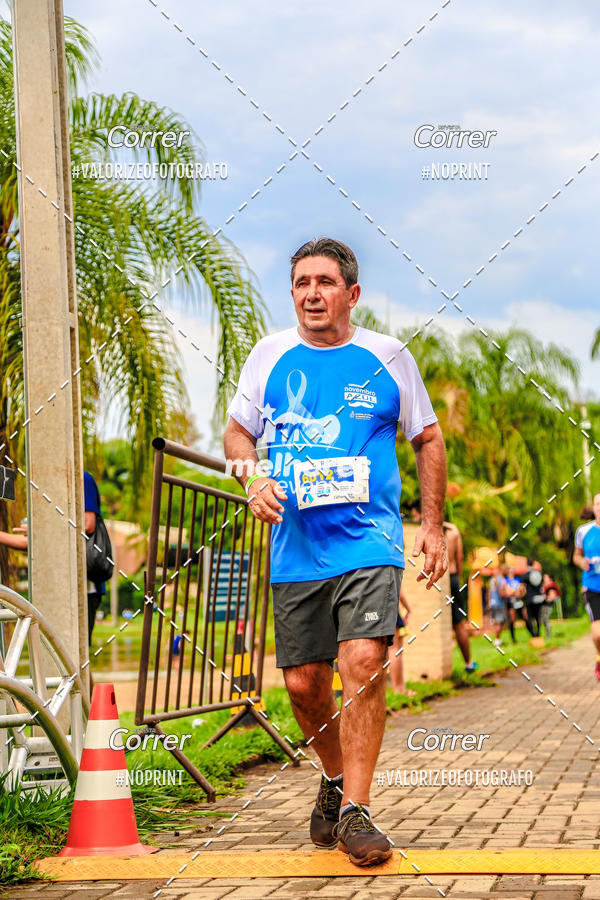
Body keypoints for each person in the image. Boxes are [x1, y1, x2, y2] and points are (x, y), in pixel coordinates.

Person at [224, 237, 448, 867]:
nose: (312, 293)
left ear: (352, 293)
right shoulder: (268, 358)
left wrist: (431, 527)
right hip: (296, 547)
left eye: (324, 282)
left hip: (369, 541)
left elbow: (428, 438)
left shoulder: (387, 357)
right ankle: (332, 777)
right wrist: (254, 479)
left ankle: (356, 810)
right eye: (301, 283)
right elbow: (239, 434)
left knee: (362, 660)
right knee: (301, 685)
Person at [0, 472, 108, 646]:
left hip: (83, 584)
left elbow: (88, 524)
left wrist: (43, 530)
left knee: (76, 652)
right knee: (63, 653)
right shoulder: (49, 491)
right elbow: (33, 542)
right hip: (56, 586)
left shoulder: (81, 478)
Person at [409, 502, 477, 673]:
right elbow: (459, 558)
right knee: (459, 623)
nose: (414, 518)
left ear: (419, 513)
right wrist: (457, 579)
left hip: (429, 579)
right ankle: (468, 663)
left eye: (415, 515)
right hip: (451, 577)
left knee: (434, 622)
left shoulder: (418, 531)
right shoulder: (452, 530)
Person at [573, 492, 600, 681]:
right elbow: (576, 555)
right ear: (594, 507)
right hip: (592, 586)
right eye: (598, 503)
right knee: (598, 635)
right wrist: (582, 562)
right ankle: (599, 658)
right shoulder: (583, 531)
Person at [387, 588, 416, 696]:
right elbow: (398, 589)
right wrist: (409, 609)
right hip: (389, 605)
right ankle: (399, 689)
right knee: (395, 649)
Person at [521, 558, 544, 638]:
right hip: (539, 598)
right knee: (538, 617)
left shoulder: (525, 575)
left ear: (526, 564)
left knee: (530, 617)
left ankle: (534, 634)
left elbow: (522, 588)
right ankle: (538, 632)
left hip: (530, 599)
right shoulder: (538, 573)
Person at [488, 569, 506, 648]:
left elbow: (489, 591)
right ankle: (497, 640)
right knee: (499, 623)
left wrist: (489, 602)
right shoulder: (501, 579)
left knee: (497, 623)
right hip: (499, 603)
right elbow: (501, 593)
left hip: (493, 603)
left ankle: (497, 639)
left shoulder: (492, 580)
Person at [541, 572, 560, 639]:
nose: (544, 578)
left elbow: (551, 597)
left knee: (545, 620)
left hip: (547, 606)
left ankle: (548, 636)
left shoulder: (551, 586)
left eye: (546, 577)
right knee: (544, 620)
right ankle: (548, 635)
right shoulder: (546, 586)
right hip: (546, 605)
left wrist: (544, 598)